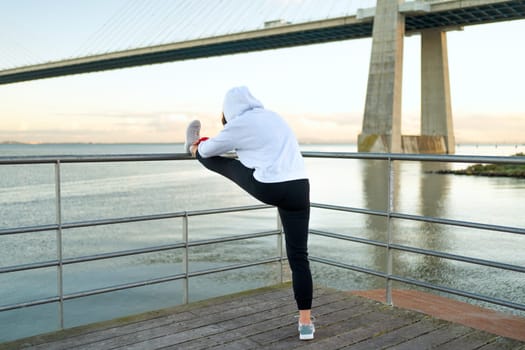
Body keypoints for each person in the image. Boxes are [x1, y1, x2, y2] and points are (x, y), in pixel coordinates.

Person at [183, 86, 315, 340]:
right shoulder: (274, 116)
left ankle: (191, 145)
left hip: (270, 187)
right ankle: (305, 324)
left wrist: (202, 146)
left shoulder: (239, 124)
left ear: (229, 110)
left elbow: (212, 152)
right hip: (300, 187)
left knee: (217, 160)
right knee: (300, 257)